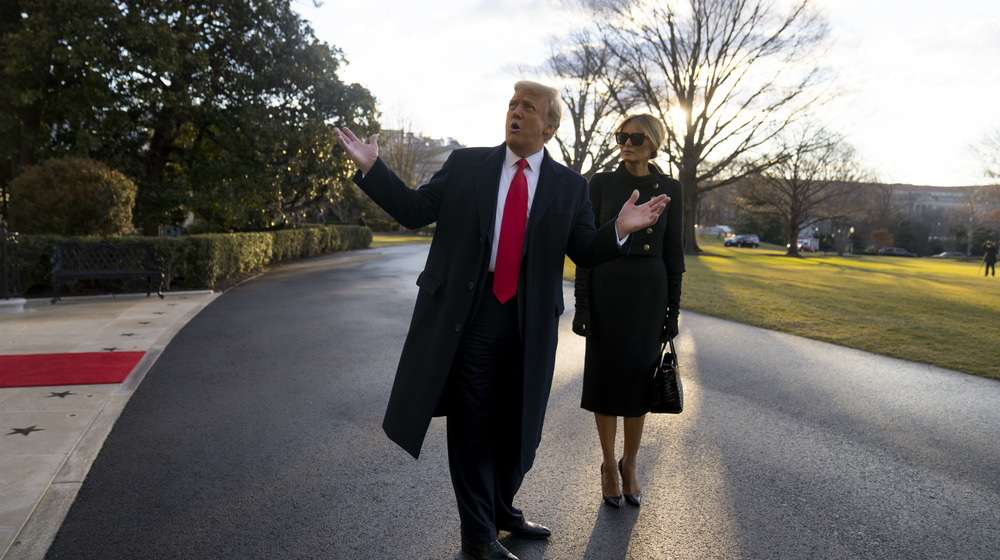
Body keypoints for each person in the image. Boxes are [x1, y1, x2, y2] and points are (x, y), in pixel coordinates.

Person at [334, 81, 668, 560]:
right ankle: (477, 537)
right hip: (471, 315)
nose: (515, 112)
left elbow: (584, 251)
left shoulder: (568, 185)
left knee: (521, 430)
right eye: (512, 105)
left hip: (529, 322)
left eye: (527, 108)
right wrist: (373, 168)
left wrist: (618, 229)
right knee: (471, 425)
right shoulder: (467, 164)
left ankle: (501, 508)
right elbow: (414, 210)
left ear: (548, 126)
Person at [572, 114, 685, 509]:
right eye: (622, 136)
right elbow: (586, 246)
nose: (627, 142)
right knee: (605, 381)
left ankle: (630, 465)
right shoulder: (601, 183)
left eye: (636, 137)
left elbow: (674, 255)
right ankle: (607, 464)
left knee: (640, 383)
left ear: (653, 142)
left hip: (649, 295)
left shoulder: (670, 188)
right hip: (607, 287)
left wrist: (673, 311)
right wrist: (582, 304)